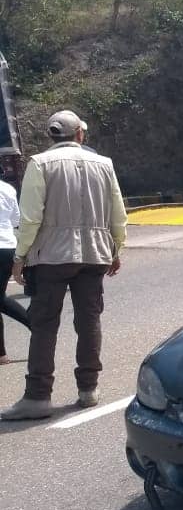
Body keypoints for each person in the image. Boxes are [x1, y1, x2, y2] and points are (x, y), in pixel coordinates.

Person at [1, 110, 126, 421]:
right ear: (80, 134)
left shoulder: (40, 164)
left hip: (52, 258)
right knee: (89, 320)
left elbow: (30, 219)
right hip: (95, 255)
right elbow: (117, 214)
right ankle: (88, 389)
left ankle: (38, 396)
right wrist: (115, 249)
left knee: (44, 325)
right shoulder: (105, 164)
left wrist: (21, 257)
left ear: (51, 136)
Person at [0, 175, 29, 364]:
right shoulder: (8, 189)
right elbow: (16, 220)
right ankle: (1, 354)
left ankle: (35, 324)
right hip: (7, 247)